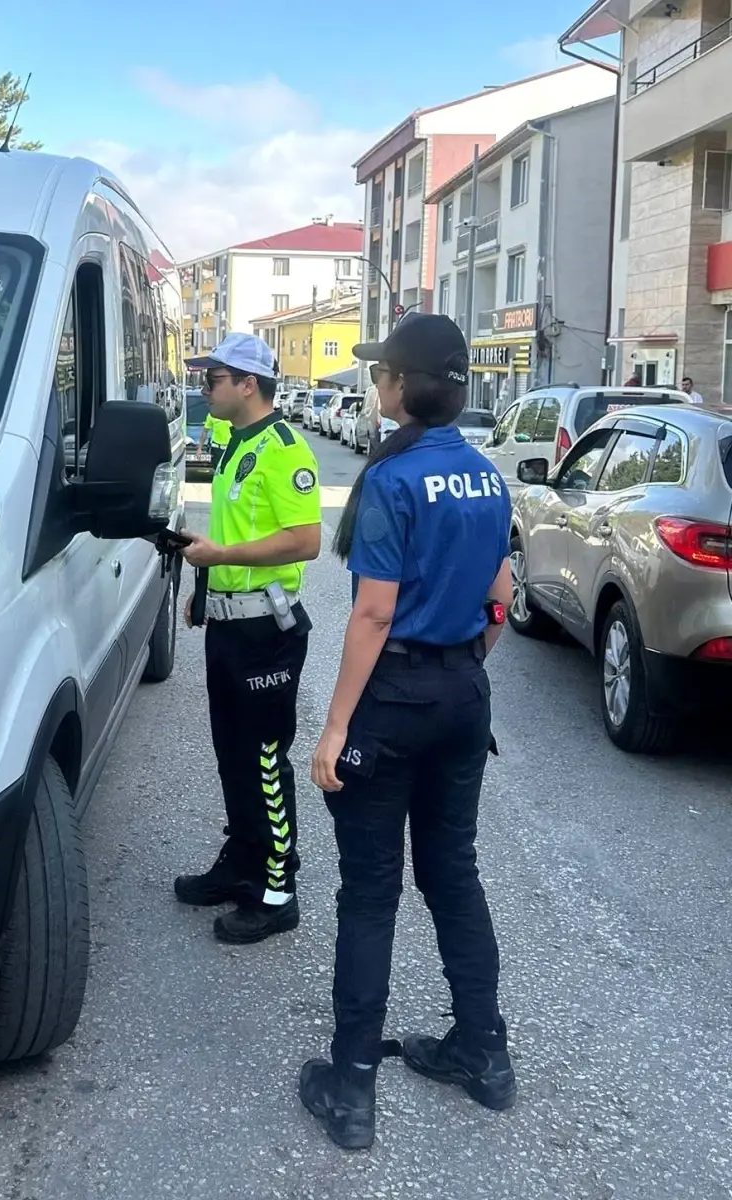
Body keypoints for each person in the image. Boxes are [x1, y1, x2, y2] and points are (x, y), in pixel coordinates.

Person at [296, 313, 516, 1150]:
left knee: (370, 892)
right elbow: (498, 599)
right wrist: (464, 669)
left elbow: (375, 611)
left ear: (401, 386)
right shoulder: (485, 476)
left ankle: (351, 1085)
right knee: (453, 875)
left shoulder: (391, 481)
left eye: (381, 372)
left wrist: (335, 727)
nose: (375, 384)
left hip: (393, 702)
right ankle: (484, 1053)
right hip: (463, 691)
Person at [175, 332, 322, 945]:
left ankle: (279, 887)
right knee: (232, 753)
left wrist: (222, 554)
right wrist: (205, 583)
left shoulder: (285, 449)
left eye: (213, 377)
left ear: (247, 383)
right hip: (230, 626)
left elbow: (305, 540)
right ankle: (242, 864)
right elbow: (231, 529)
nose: (204, 386)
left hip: (267, 631)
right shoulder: (235, 444)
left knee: (265, 759)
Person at [198, 407, 233, 472]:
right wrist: (199, 448)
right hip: (216, 448)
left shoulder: (232, 413)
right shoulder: (212, 415)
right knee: (217, 471)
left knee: (228, 470)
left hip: (230, 448)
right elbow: (205, 431)